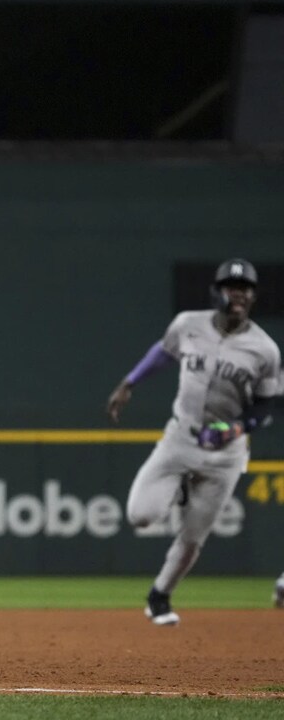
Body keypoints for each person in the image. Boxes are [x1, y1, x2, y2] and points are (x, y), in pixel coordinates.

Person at [107, 258, 280, 626]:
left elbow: (265, 405)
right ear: (216, 291)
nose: (238, 293)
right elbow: (163, 352)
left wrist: (235, 429)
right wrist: (129, 382)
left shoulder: (265, 350)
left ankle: (159, 597)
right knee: (141, 515)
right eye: (231, 286)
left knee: (193, 536)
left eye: (245, 288)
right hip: (180, 440)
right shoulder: (188, 324)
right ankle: (179, 486)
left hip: (225, 454)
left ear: (252, 297)